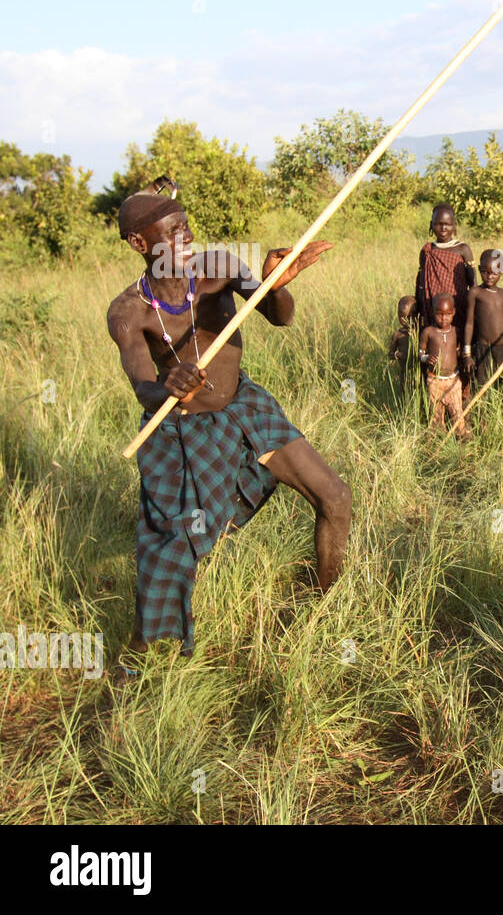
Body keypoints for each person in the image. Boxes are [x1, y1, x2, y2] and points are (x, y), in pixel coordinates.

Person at [105, 178, 350, 675]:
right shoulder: (129, 312)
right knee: (178, 546)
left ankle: (319, 609)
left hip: (245, 406)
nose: (184, 240)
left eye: (186, 228)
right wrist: (167, 384)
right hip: (182, 430)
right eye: (170, 233)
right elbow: (143, 387)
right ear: (139, 244)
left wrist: (276, 286)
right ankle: (138, 656)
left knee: (335, 497)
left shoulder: (217, 267)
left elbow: (277, 316)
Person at [411, 203, 474, 397]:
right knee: (435, 352)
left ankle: (462, 399)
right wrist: (420, 309)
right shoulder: (427, 251)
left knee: (458, 353)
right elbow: (422, 282)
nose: (443, 228)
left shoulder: (462, 249)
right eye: (439, 224)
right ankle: (434, 399)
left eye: (447, 224)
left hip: (458, 311)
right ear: (431, 225)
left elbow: (473, 284)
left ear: (455, 225)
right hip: (433, 312)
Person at [420, 292, 471, 440]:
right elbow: (420, 352)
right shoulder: (428, 332)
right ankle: (437, 441)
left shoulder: (456, 332)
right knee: (435, 415)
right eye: (439, 314)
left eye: (448, 314)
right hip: (434, 381)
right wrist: (426, 358)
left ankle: (462, 439)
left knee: (457, 413)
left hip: (453, 381)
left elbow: (460, 351)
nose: (444, 318)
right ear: (433, 312)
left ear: (453, 312)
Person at [464, 249, 503, 389]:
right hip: (484, 348)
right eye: (485, 271)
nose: (489, 276)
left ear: (501, 272)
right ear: (479, 269)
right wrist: (467, 353)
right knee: (482, 384)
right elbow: (469, 323)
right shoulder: (475, 293)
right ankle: (483, 411)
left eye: (494, 273)